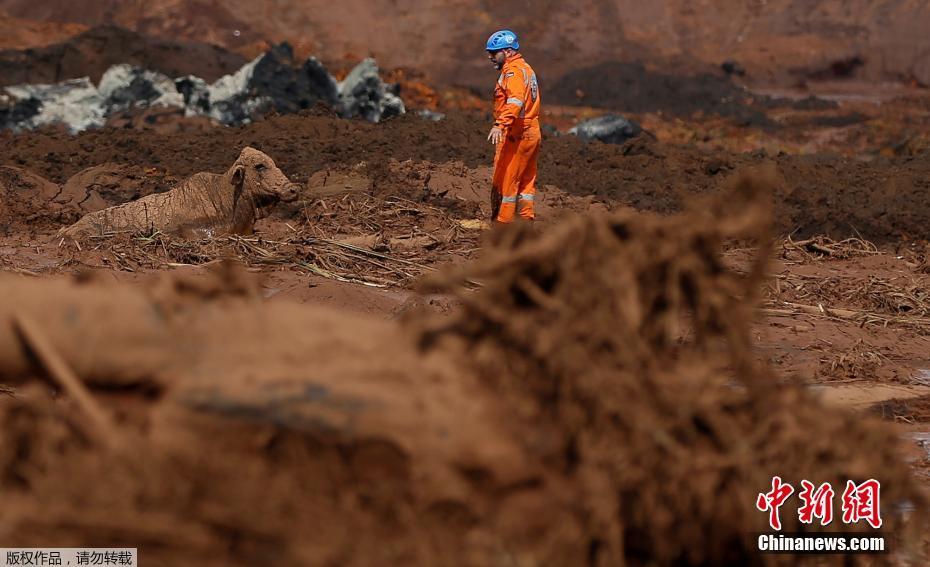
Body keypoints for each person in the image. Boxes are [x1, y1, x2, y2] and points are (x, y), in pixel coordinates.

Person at [485, 29, 540, 223]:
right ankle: (525, 223)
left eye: (494, 52)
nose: (490, 57)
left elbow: (515, 101)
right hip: (531, 130)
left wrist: (500, 124)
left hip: (518, 133)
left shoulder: (513, 71)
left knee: (508, 181)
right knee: (526, 182)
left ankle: (503, 226)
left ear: (508, 51)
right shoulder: (526, 68)